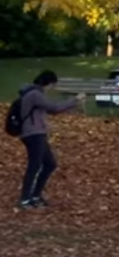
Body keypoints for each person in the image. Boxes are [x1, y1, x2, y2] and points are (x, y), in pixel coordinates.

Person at [14, 71, 84, 210]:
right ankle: (25, 199)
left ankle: (35, 195)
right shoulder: (35, 94)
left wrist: (72, 103)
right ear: (48, 83)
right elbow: (54, 108)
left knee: (50, 164)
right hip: (32, 133)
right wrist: (75, 100)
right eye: (52, 85)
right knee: (34, 165)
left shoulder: (34, 93)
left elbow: (52, 110)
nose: (51, 89)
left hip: (37, 132)